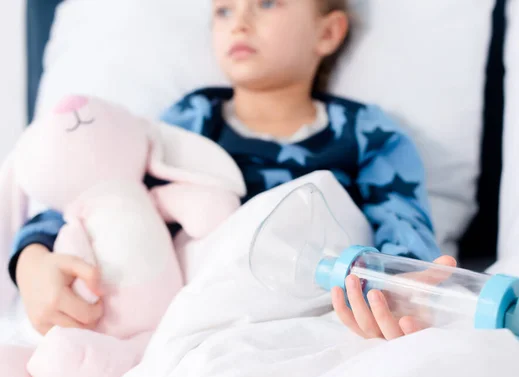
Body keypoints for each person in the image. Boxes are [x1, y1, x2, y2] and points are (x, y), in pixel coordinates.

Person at [9, 0, 455, 340]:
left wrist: (399, 293)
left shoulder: (369, 133)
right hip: (199, 313)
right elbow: (104, 190)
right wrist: (33, 259)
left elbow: (403, 233)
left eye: (266, 3)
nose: (239, 21)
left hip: (319, 313)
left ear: (328, 32)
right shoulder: (194, 118)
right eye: (223, 10)